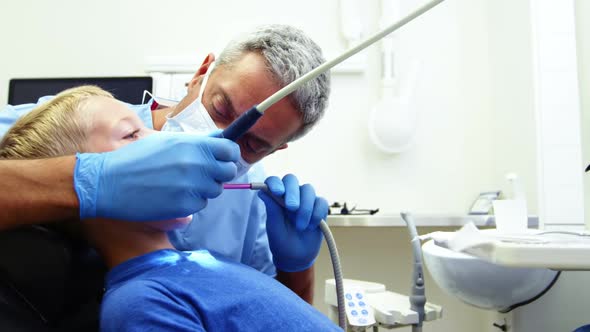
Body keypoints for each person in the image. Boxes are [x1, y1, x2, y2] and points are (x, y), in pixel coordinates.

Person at [1, 24, 331, 302]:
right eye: (220, 109)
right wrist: (88, 179)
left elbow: (269, 314)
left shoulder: (251, 200)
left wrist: (297, 268)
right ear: (202, 74)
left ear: (275, 150)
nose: (220, 138)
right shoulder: (82, 118)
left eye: (253, 143)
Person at [0, 85, 341, 331]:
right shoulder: (144, 303)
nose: (172, 141)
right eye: (132, 134)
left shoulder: (206, 261)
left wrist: (296, 266)